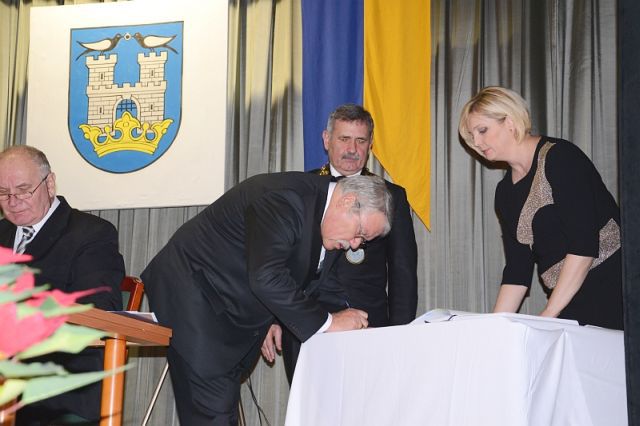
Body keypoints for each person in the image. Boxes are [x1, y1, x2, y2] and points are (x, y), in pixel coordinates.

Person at [141, 172, 393, 424]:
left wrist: (277, 317)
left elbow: (304, 280)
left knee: (220, 408)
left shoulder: (331, 224)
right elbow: (266, 276)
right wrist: (329, 322)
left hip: (228, 304)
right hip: (195, 295)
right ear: (348, 201)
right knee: (212, 412)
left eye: (363, 240)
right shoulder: (286, 199)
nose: (355, 245)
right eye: (360, 233)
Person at [261, 104, 418, 383]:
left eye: (360, 141)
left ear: (370, 144)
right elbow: (277, 263)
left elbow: (402, 273)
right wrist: (271, 319)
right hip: (305, 321)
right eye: (344, 139)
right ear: (326, 139)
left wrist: (399, 335)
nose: (352, 149)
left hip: (369, 326)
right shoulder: (300, 190)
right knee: (311, 403)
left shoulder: (391, 196)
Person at [458, 86, 623, 330]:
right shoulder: (504, 193)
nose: (477, 142)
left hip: (614, 288)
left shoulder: (560, 157)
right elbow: (517, 271)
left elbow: (584, 246)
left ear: (510, 122)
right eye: (472, 135)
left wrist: (548, 315)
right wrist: (493, 329)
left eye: (482, 130)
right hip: (567, 300)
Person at [0, 145, 125, 424]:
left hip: (59, 384)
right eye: (3, 193)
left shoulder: (91, 233)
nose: (13, 201)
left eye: (23, 190)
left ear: (50, 184)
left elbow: (99, 310)